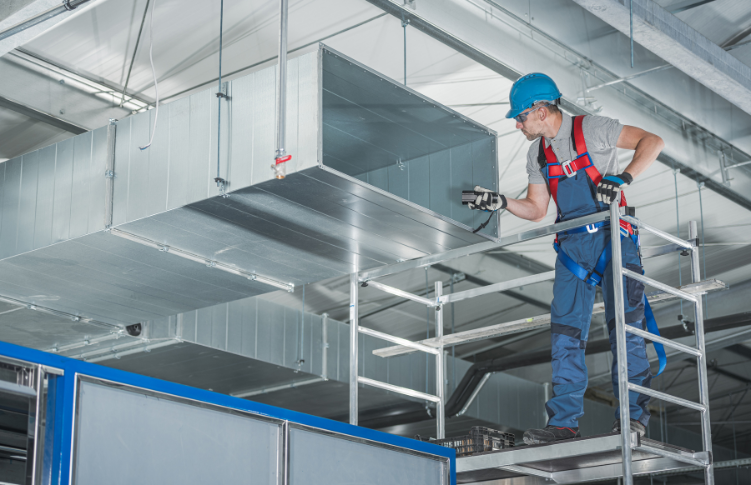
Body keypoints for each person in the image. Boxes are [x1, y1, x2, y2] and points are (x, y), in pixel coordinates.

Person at [468, 73, 665, 445]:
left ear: (541, 111)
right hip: (572, 249)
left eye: (521, 116)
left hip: (613, 239)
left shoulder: (593, 129)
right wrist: (501, 203)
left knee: (626, 329)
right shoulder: (537, 153)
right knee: (565, 335)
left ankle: (632, 418)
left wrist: (624, 177)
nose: (517, 123)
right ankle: (563, 423)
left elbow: (652, 141)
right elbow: (538, 208)